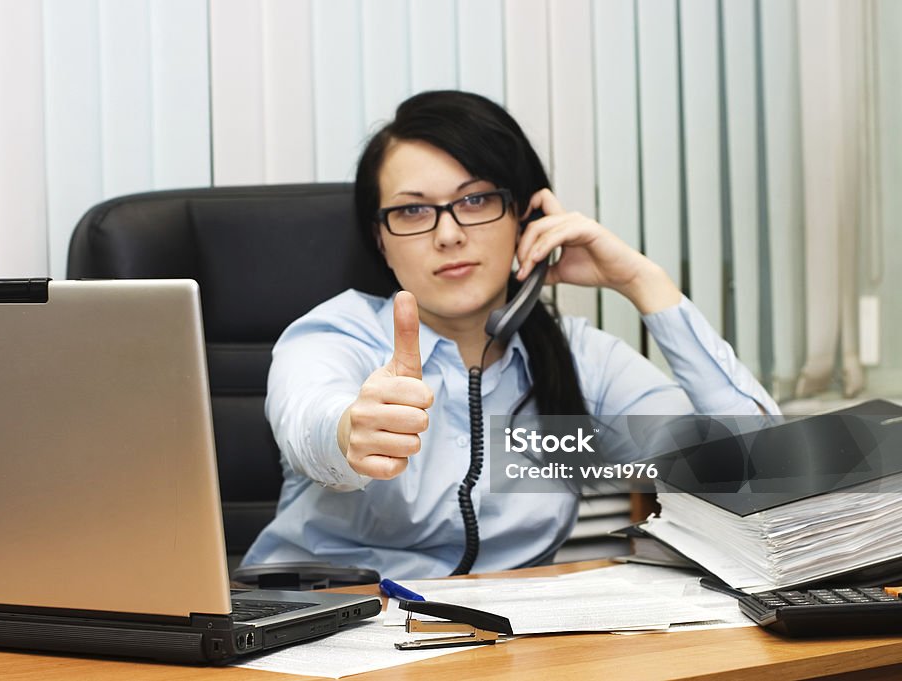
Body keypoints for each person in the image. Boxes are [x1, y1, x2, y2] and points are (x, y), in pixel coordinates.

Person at [241, 90, 779, 578]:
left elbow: (750, 476)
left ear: (525, 215)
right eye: (411, 210)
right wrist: (350, 431)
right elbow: (308, 417)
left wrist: (645, 284)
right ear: (380, 241)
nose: (449, 234)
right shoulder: (335, 334)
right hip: (324, 629)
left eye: (475, 200)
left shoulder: (582, 359)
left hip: (508, 644)